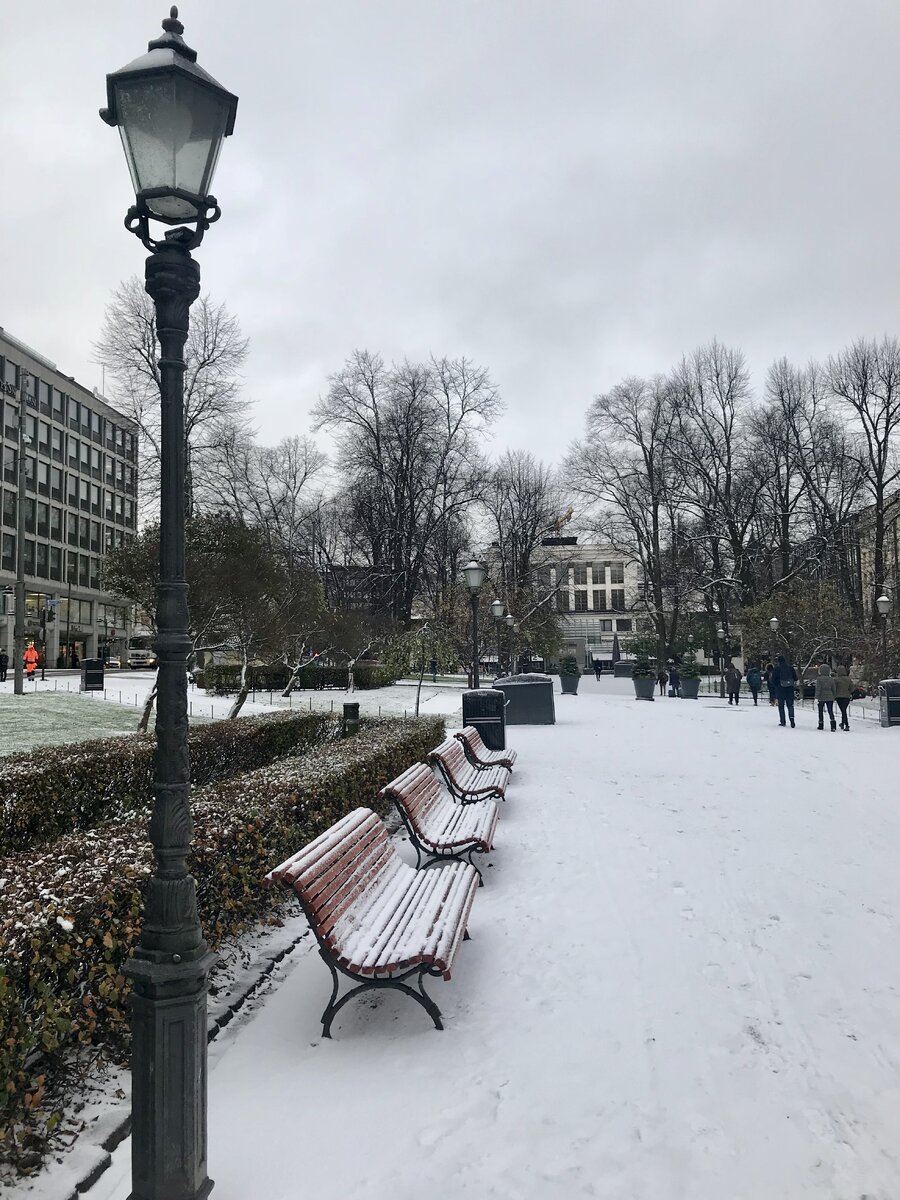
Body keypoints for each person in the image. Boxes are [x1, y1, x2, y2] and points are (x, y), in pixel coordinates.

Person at [775, 654, 797, 727]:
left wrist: (777, 686)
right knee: (790, 706)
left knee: (781, 706)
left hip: (780, 689)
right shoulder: (790, 668)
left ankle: (783, 721)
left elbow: (773, 680)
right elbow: (795, 678)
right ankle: (792, 720)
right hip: (790, 689)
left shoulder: (777, 669)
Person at [813, 662, 837, 730]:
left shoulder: (819, 679)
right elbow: (833, 689)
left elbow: (818, 689)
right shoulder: (831, 679)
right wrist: (834, 696)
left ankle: (821, 724)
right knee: (830, 711)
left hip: (821, 697)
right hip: (830, 696)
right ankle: (833, 725)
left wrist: (816, 698)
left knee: (820, 711)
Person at [833, 665, 852, 731]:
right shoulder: (848, 679)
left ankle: (846, 725)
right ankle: (843, 723)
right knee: (844, 710)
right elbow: (852, 688)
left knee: (843, 711)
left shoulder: (836, 679)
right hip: (846, 697)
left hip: (839, 697)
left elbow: (834, 688)